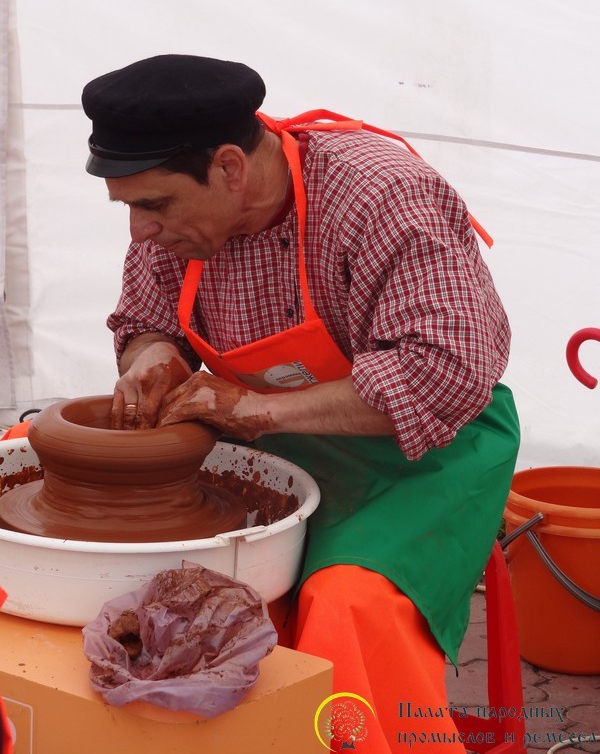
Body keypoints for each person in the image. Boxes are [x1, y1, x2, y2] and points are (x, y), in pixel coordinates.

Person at [82, 54, 520, 752]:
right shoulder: (179, 223)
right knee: (152, 583)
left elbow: (444, 373)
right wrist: (152, 357)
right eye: (128, 207)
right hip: (270, 443)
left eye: (153, 205)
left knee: (343, 604)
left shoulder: (380, 195)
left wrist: (257, 411)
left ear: (230, 167)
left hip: (423, 455)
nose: (139, 230)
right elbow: (146, 319)